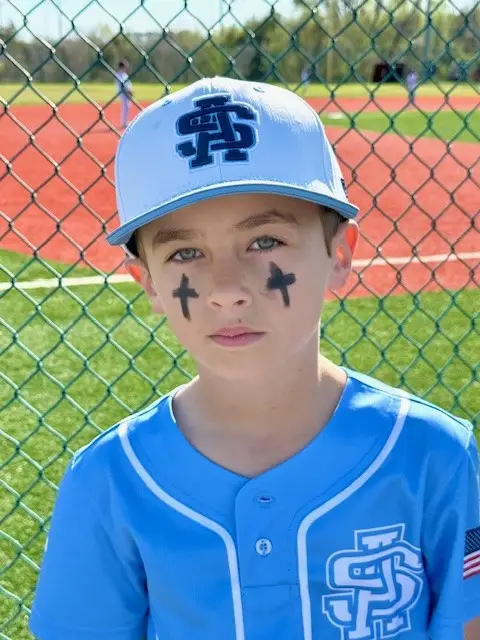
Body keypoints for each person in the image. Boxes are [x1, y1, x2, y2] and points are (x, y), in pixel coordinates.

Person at [29, 77, 480, 639]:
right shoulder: (109, 479)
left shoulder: (432, 453)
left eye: (265, 242)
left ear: (340, 255)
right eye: (185, 252)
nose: (227, 290)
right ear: (147, 282)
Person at [115, 60, 133, 129]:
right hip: (122, 93)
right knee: (125, 106)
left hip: (127, 93)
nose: (126, 67)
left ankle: (125, 121)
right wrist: (128, 90)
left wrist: (130, 90)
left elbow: (128, 84)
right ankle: (123, 122)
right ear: (122, 66)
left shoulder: (124, 74)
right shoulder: (118, 74)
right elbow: (122, 84)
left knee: (127, 106)